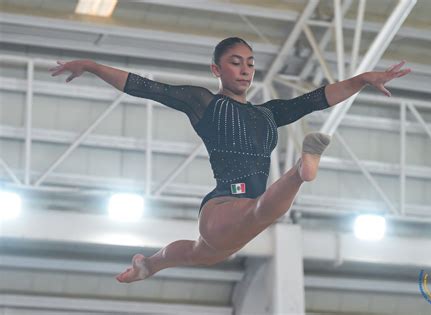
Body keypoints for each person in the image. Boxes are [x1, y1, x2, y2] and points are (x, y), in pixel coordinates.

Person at [49, 37, 410, 283]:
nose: (245, 70)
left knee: (199, 254)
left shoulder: (269, 114)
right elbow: (143, 86)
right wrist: (93, 66)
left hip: (243, 215)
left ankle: (149, 265)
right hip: (224, 206)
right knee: (260, 213)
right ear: (216, 70)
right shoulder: (204, 103)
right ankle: (301, 171)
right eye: (235, 63)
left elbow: (317, 98)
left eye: (250, 64)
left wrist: (362, 79)